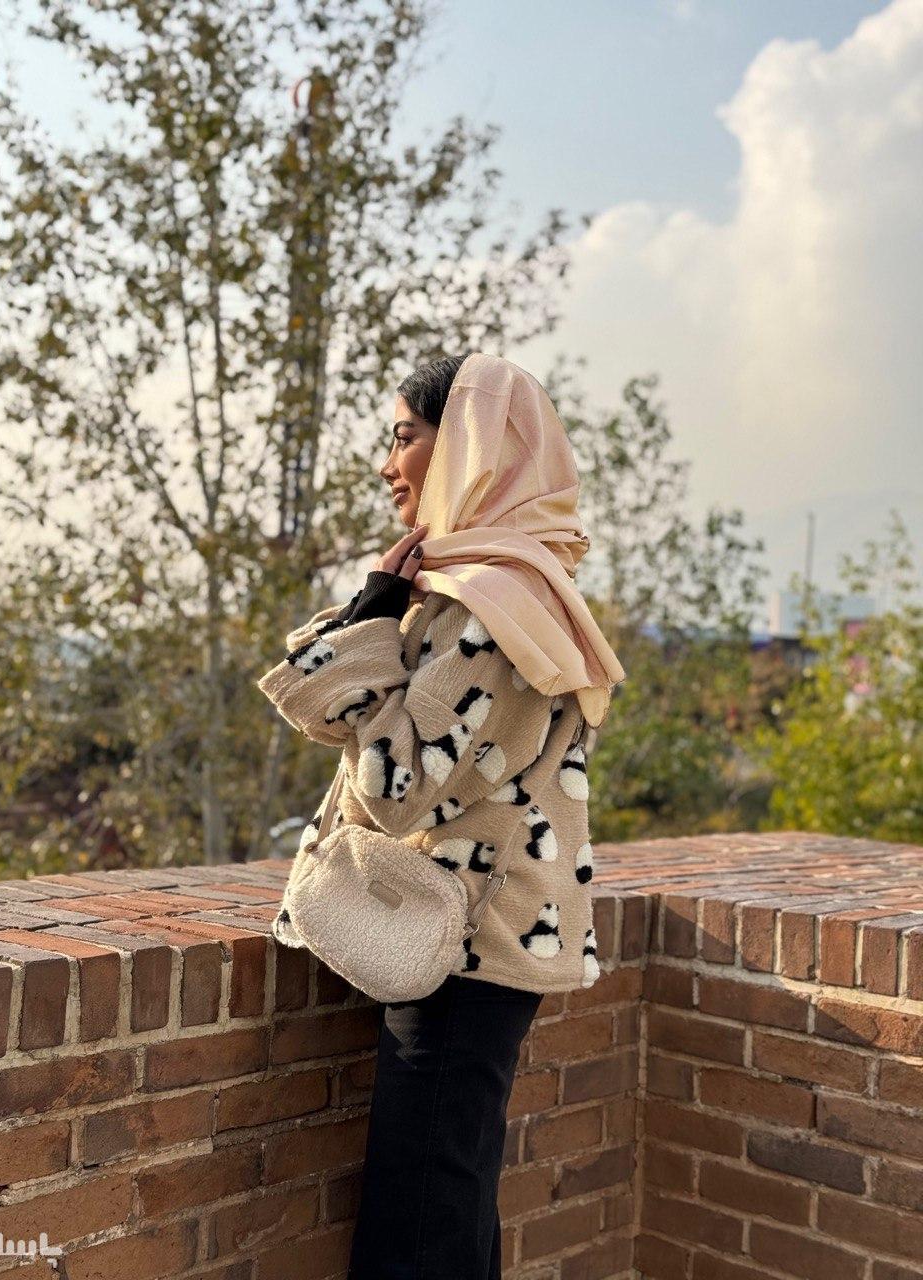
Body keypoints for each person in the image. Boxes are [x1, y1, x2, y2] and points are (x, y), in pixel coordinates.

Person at [256, 352, 626, 1280]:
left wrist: (371, 622)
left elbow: (394, 784)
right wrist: (378, 606)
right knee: (445, 1206)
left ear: (468, 445)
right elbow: (331, 716)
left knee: (421, 1221)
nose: (389, 464)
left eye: (405, 437)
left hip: (464, 948)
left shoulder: (493, 606)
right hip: (463, 938)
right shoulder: (487, 588)